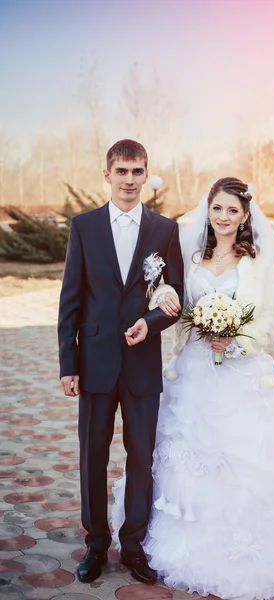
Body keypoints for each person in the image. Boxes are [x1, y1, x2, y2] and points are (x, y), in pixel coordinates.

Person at [111, 177, 274, 600]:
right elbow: (172, 295)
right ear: (208, 211)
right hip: (193, 371)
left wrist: (236, 340)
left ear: (245, 217)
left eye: (232, 211)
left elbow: (269, 323)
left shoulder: (256, 262)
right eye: (217, 209)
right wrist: (167, 293)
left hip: (240, 374)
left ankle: (250, 545)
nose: (223, 217)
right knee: (183, 453)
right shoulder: (191, 255)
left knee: (243, 456)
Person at [57, 139, 184, 584]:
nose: (129, 180)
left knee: (141, 458)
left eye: (137, 171)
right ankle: (95, 544)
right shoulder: (84, 226)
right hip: (93, 363)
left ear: (146, 175)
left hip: (142, 363)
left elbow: (175, 299)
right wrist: (67, 364)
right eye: (122, 171)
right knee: (92, 456)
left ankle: (134, 546)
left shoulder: (165, 231)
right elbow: (70, 300)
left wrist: (150, 323)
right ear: (107, 174)